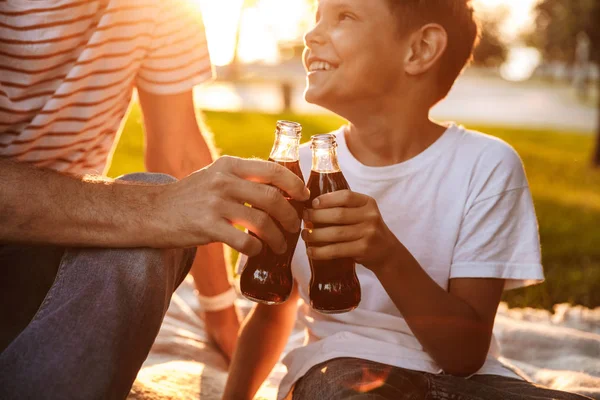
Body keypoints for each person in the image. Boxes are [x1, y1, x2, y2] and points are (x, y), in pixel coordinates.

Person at [223, 1, 592, 399]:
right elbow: (272, 312)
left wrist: (387, 256)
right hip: (347, 370)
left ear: (419, 50)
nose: (311, 36)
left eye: (344, 16)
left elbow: (465, 356)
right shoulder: (298, 169)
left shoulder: (486, 165)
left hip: (473, 382)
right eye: (316, 18)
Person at [0, 0, 308, 398]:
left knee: (152, 204)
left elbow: (178, 153)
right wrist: (153, 207)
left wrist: (218, 308)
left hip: (55, 258)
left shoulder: (162, 8)